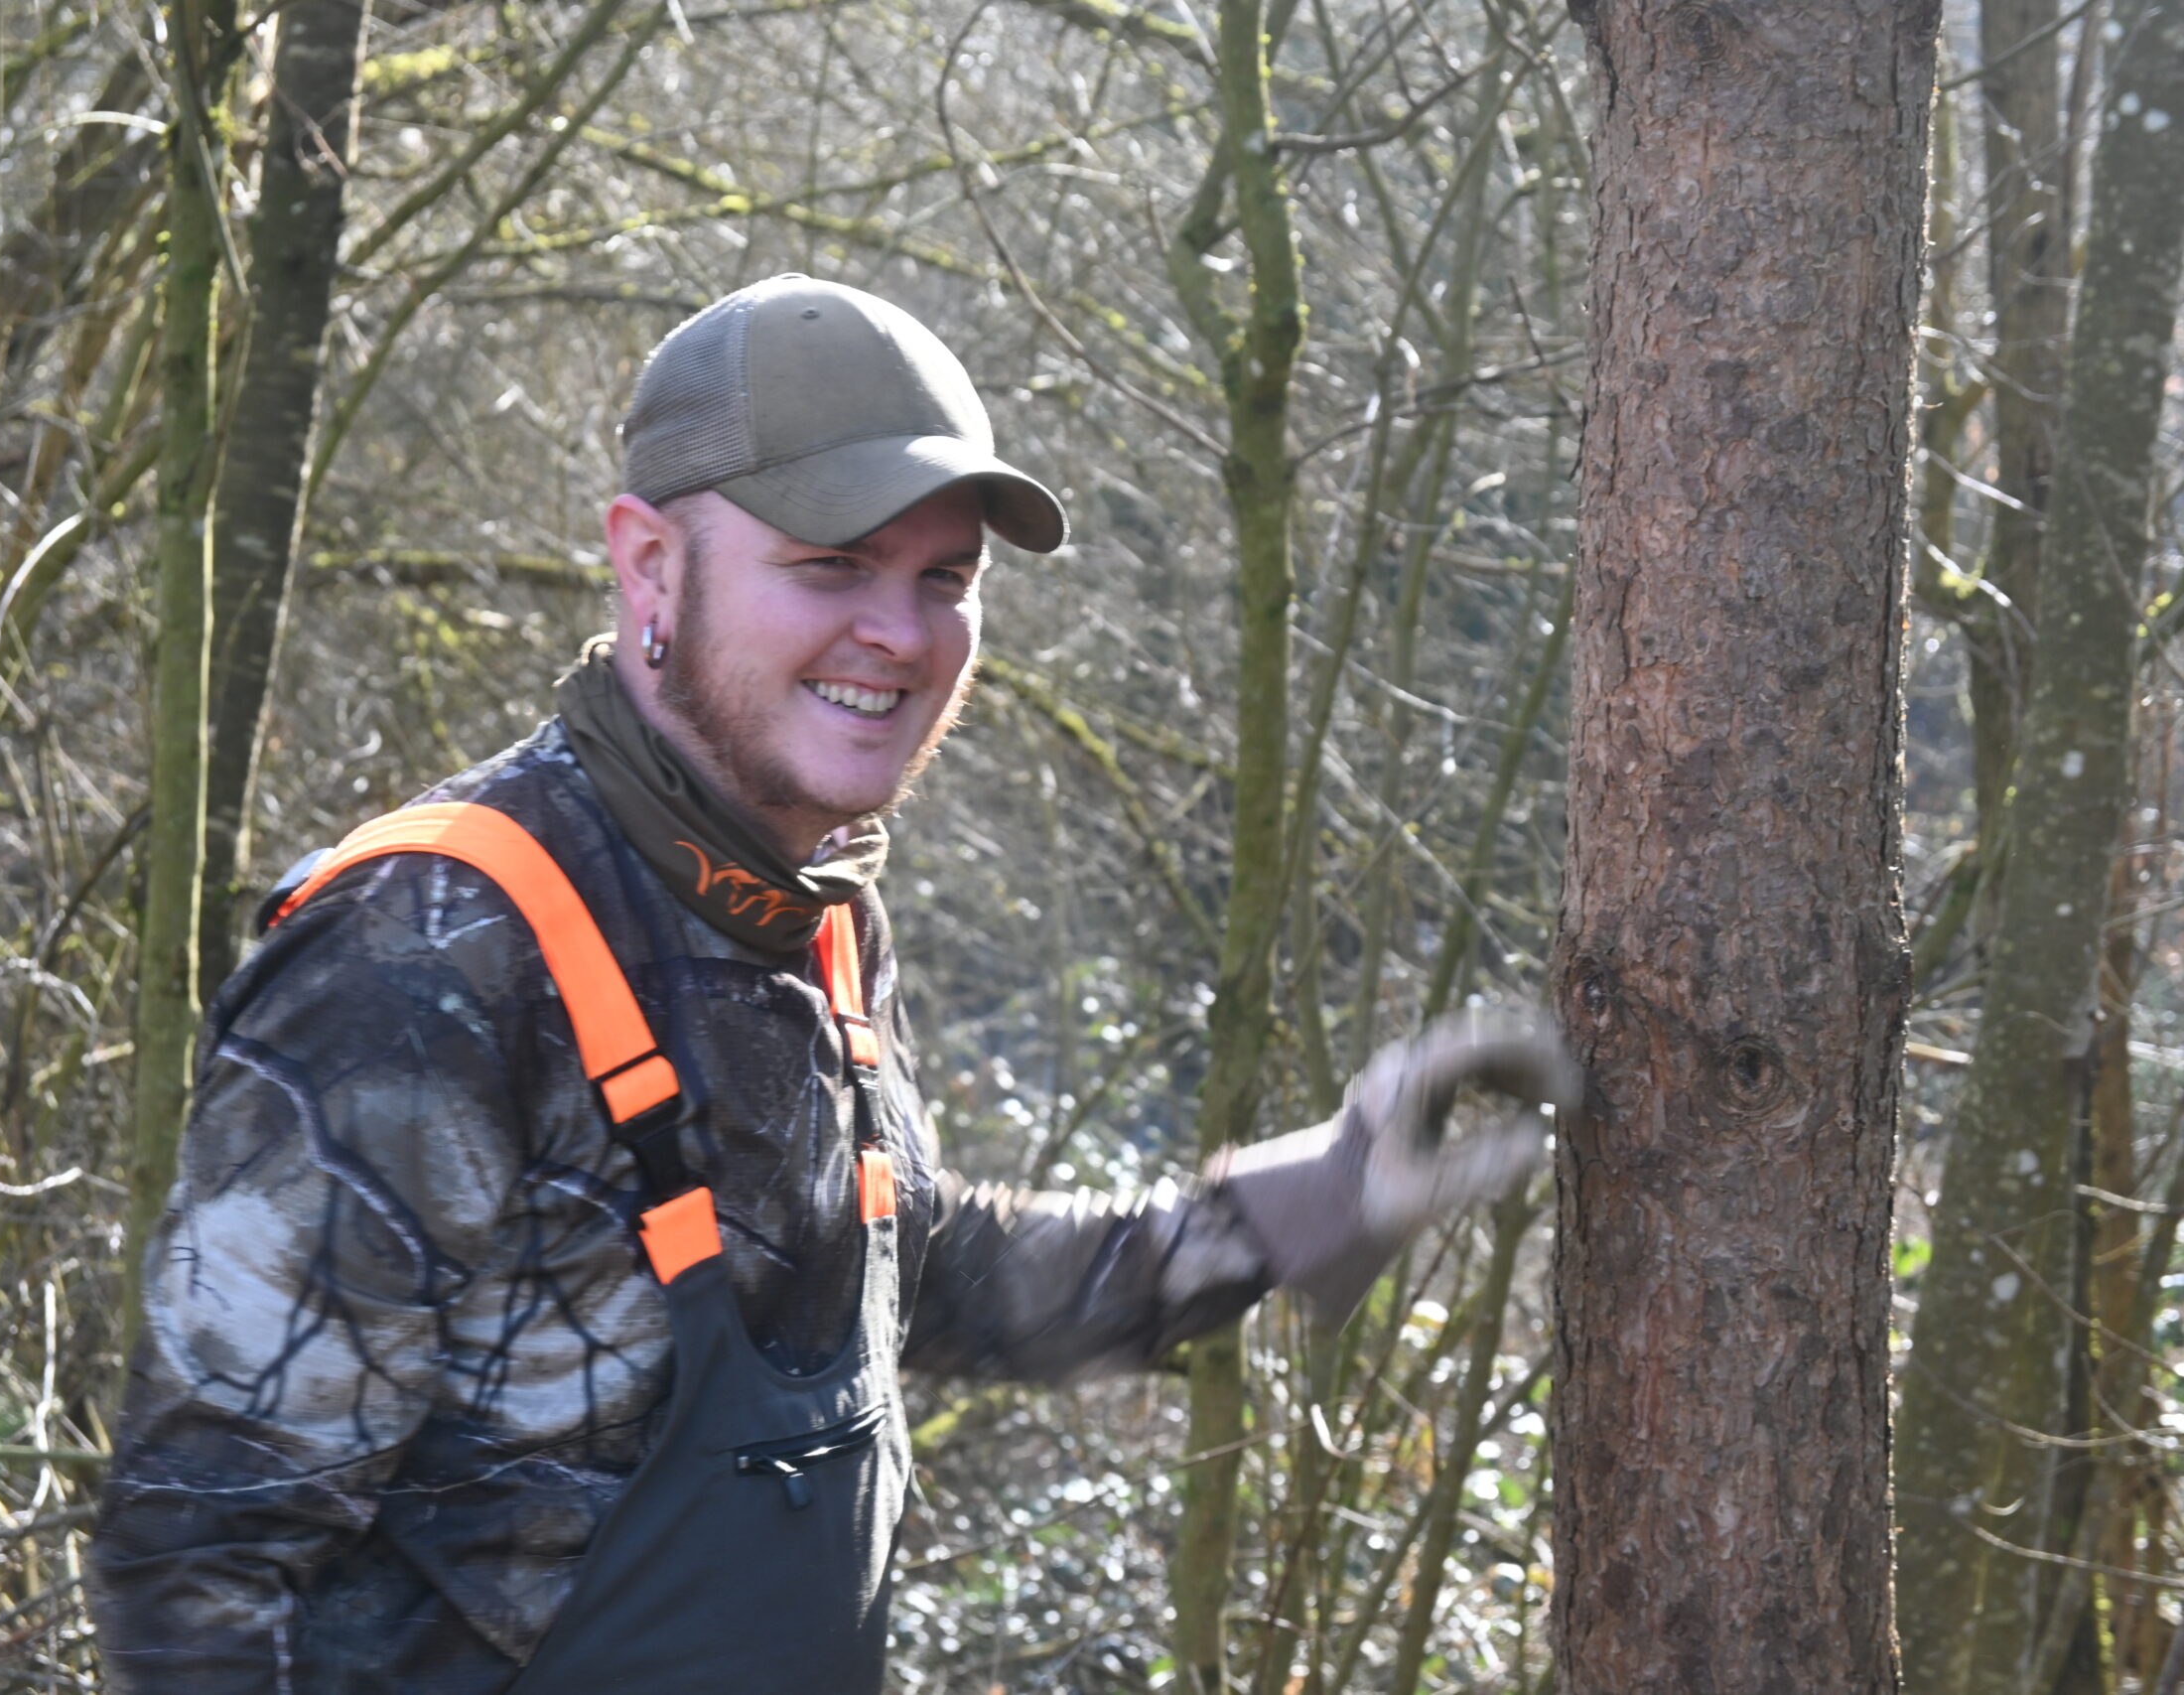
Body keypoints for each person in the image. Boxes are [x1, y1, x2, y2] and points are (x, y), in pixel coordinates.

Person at [91, 274, 1573, 1692]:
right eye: (832, 565)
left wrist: (1304, 1205)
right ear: (649, 563)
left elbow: (908, 1276)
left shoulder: (816, 909)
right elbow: (201, 1553)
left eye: (947, 579)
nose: (903, 635)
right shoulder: (427, 954)